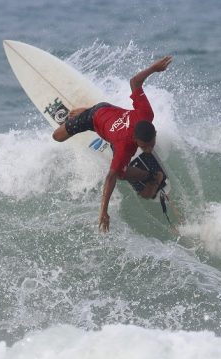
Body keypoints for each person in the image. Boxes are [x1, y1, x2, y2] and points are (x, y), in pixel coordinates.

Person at [52, 55, 173, 232]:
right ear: (136, 140)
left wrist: (153, 69)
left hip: (109, 111)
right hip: (93, 117)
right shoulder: (125, 147)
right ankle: (83, 111)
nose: (149, 149)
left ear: (153, 132)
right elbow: (110, 178)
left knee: (122, 173)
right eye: (145, 146)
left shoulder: (147, 114)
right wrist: (103, 211)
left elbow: (134, 83)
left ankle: (151, 177)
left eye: (151, 144)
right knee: (57, 136)